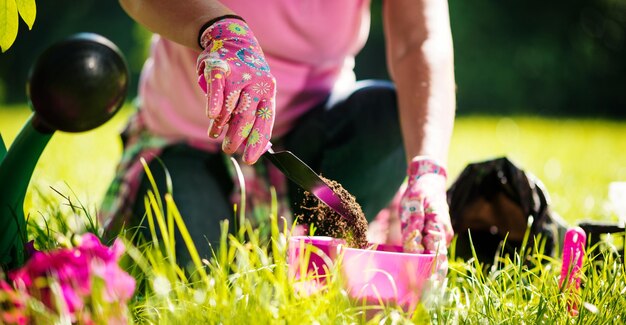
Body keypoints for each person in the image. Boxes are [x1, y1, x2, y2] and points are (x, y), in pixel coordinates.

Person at [102, 0, 456, 271]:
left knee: (383, 117)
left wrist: (428, 169)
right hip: (186, 144)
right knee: (201, 268)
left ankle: (312, 254)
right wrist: (219, 29)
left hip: (309, 139)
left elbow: (420, 39)